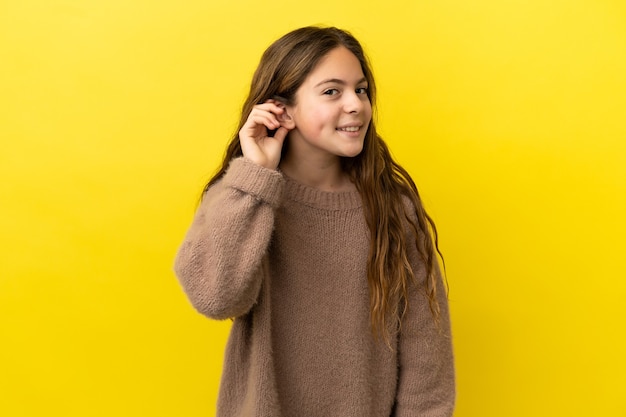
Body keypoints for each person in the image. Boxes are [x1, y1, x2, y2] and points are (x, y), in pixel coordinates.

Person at [174, 26, 455, 417]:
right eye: (331, 91)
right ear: (281, 108)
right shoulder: (244, 199)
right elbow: (216, 297)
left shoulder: (393, 211)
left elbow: (427, 361)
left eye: (360, 89)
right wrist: (255, 176)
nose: (356, 105)